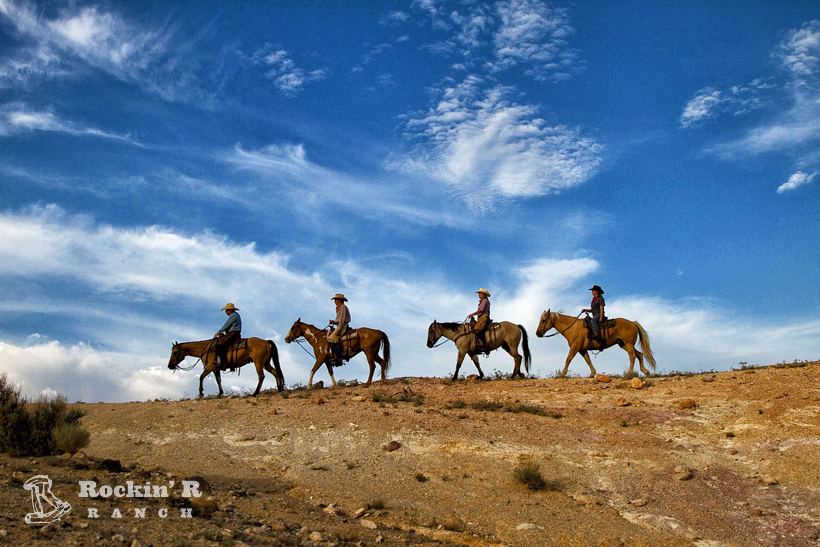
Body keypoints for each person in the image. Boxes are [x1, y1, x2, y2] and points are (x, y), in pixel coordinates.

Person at [328, 294, 351, 363]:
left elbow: (342, 319)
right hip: (340, 325)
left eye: (336, 299)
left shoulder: (343, 307)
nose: (335, 301)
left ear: (339, 300)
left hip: (342, 326)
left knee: (331, 338)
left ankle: (339, 356)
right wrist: (334, 322)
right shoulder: (340, 307)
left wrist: (339, 329)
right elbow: (339, 320)